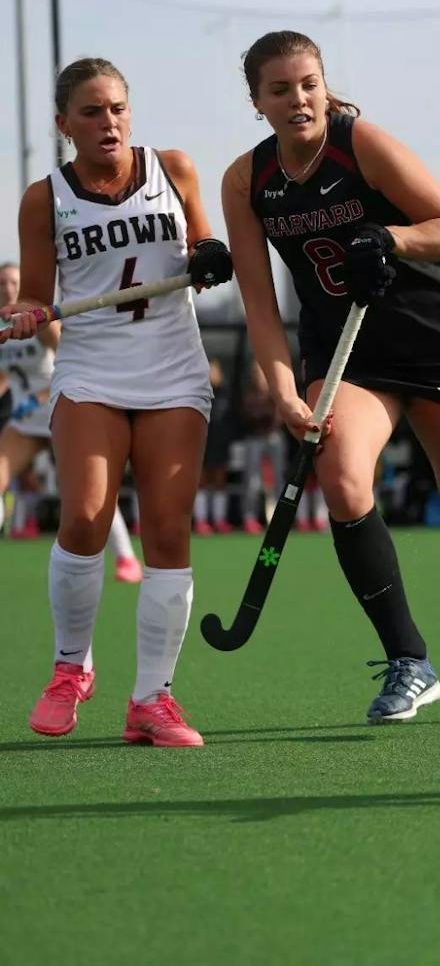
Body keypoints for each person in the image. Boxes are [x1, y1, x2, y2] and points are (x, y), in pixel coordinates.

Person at [223, 30, 440, 725]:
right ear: (257, 103)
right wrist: (282, 392)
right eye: (281, 89)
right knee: (342, 480)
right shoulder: (248, 181)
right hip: (347, 355)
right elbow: (261, 308)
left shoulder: (359, 144)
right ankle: (408, 659)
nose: (299, 98)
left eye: (309, 83)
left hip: (432, 342)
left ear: (324, 85)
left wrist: (387, 237)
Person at [2, 57, 233, 747]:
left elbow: (204, 243)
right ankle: (71, 667)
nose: (108, 122)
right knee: (84, 518)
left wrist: (210, 255)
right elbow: (42, 294)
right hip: (94, 368)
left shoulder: (174, 168)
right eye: (92, 111)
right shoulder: (45, 199)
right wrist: (28, 312)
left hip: (172, 369)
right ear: (63, 124)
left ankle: (152, 699)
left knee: (167, 531)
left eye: (118, 109)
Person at [0, 261, 145, 578]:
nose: (8, 288)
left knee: (89, 492)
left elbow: (71, 357)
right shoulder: (1, 329)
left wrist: (40, 396)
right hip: (25, 423)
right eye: (2, 283)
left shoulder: (34, 319)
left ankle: (126, 559)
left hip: (57, 408)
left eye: (14, 282)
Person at [238, 363, 282, 533]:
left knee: (278, 478)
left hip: (273, 437)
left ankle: (278, 518)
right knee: (252, 480)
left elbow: (279, 415)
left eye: (261, 373)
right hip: (253, 438)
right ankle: (249, 518)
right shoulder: (248, 394)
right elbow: (246, 415)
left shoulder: (274, 392)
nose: (259, 376)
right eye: (256, 373)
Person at [194, 358, 236, 534]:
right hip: (201, 443)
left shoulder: (227, 395)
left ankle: (219, 520)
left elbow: (234, 420)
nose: (212, 374)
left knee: (220, 482)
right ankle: (202, 521)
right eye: (209, 371)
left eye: (215, 371)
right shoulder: (198, 393)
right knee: (201, 482)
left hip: (221, 445)